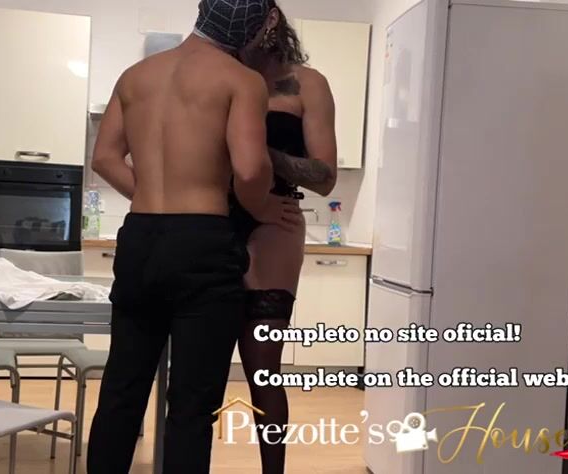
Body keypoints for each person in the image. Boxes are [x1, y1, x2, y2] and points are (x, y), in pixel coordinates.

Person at [86, 1, 302, 473]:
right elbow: (250, 169)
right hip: (203, 242)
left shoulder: (136, 75)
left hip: (141, 237)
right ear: (254, 25)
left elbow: (104, 158)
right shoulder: (240, 80)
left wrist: (151, 194)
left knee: (121, 393)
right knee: (191, 405)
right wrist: (263, 207)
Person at [231, 2, 339, 473]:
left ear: (270, 21)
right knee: (201, 370)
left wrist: (257, 148)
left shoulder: (306, 84)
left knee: (263, 368)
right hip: (213, 221)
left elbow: (325, 176)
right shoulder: (223, 74)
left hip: (276, 223)